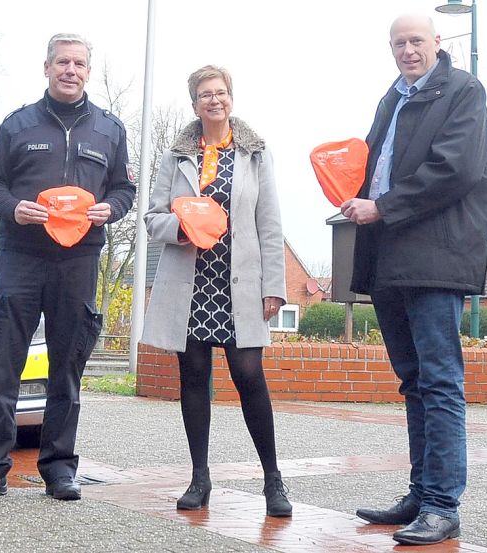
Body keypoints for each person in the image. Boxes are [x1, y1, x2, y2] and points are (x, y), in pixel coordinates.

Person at [341, 14, 487, 546]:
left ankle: (442, 504)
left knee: (441, 381)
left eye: (416, 42)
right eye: (399, 43)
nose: (408, 51)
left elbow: (455, 169)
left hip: (436, 257)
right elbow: (377, 164)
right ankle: (420, 492)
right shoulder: (394, 97)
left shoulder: (463, 92)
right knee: (413, 381)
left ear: (438, 43)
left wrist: (381, 207)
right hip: (391, 258)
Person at [0, 33, 135, 502]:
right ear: (46, 67)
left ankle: (59, 468)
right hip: (21, 257)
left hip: (79, 260)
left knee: (67, 368)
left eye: (79, 63)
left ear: (88, 71)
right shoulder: (18, 124)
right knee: (6, 366)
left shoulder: (110, 129)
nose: (71, 70)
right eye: (63, 62)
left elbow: (124, 188)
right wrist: (13, 208)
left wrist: (112, 208)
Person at [141, 65, 291, 517]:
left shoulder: (255, 155)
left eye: (220, 92)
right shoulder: (175, 157)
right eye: (205, 94)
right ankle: (199, 478)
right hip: (191, 283)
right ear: (194, 104)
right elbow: (152, 219)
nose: (214, 100)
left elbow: (270, 224)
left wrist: (275, 288)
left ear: (231, 99)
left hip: (238, 282)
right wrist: (181, 229)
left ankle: (273, 481)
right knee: (193, 379)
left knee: (250, 379)